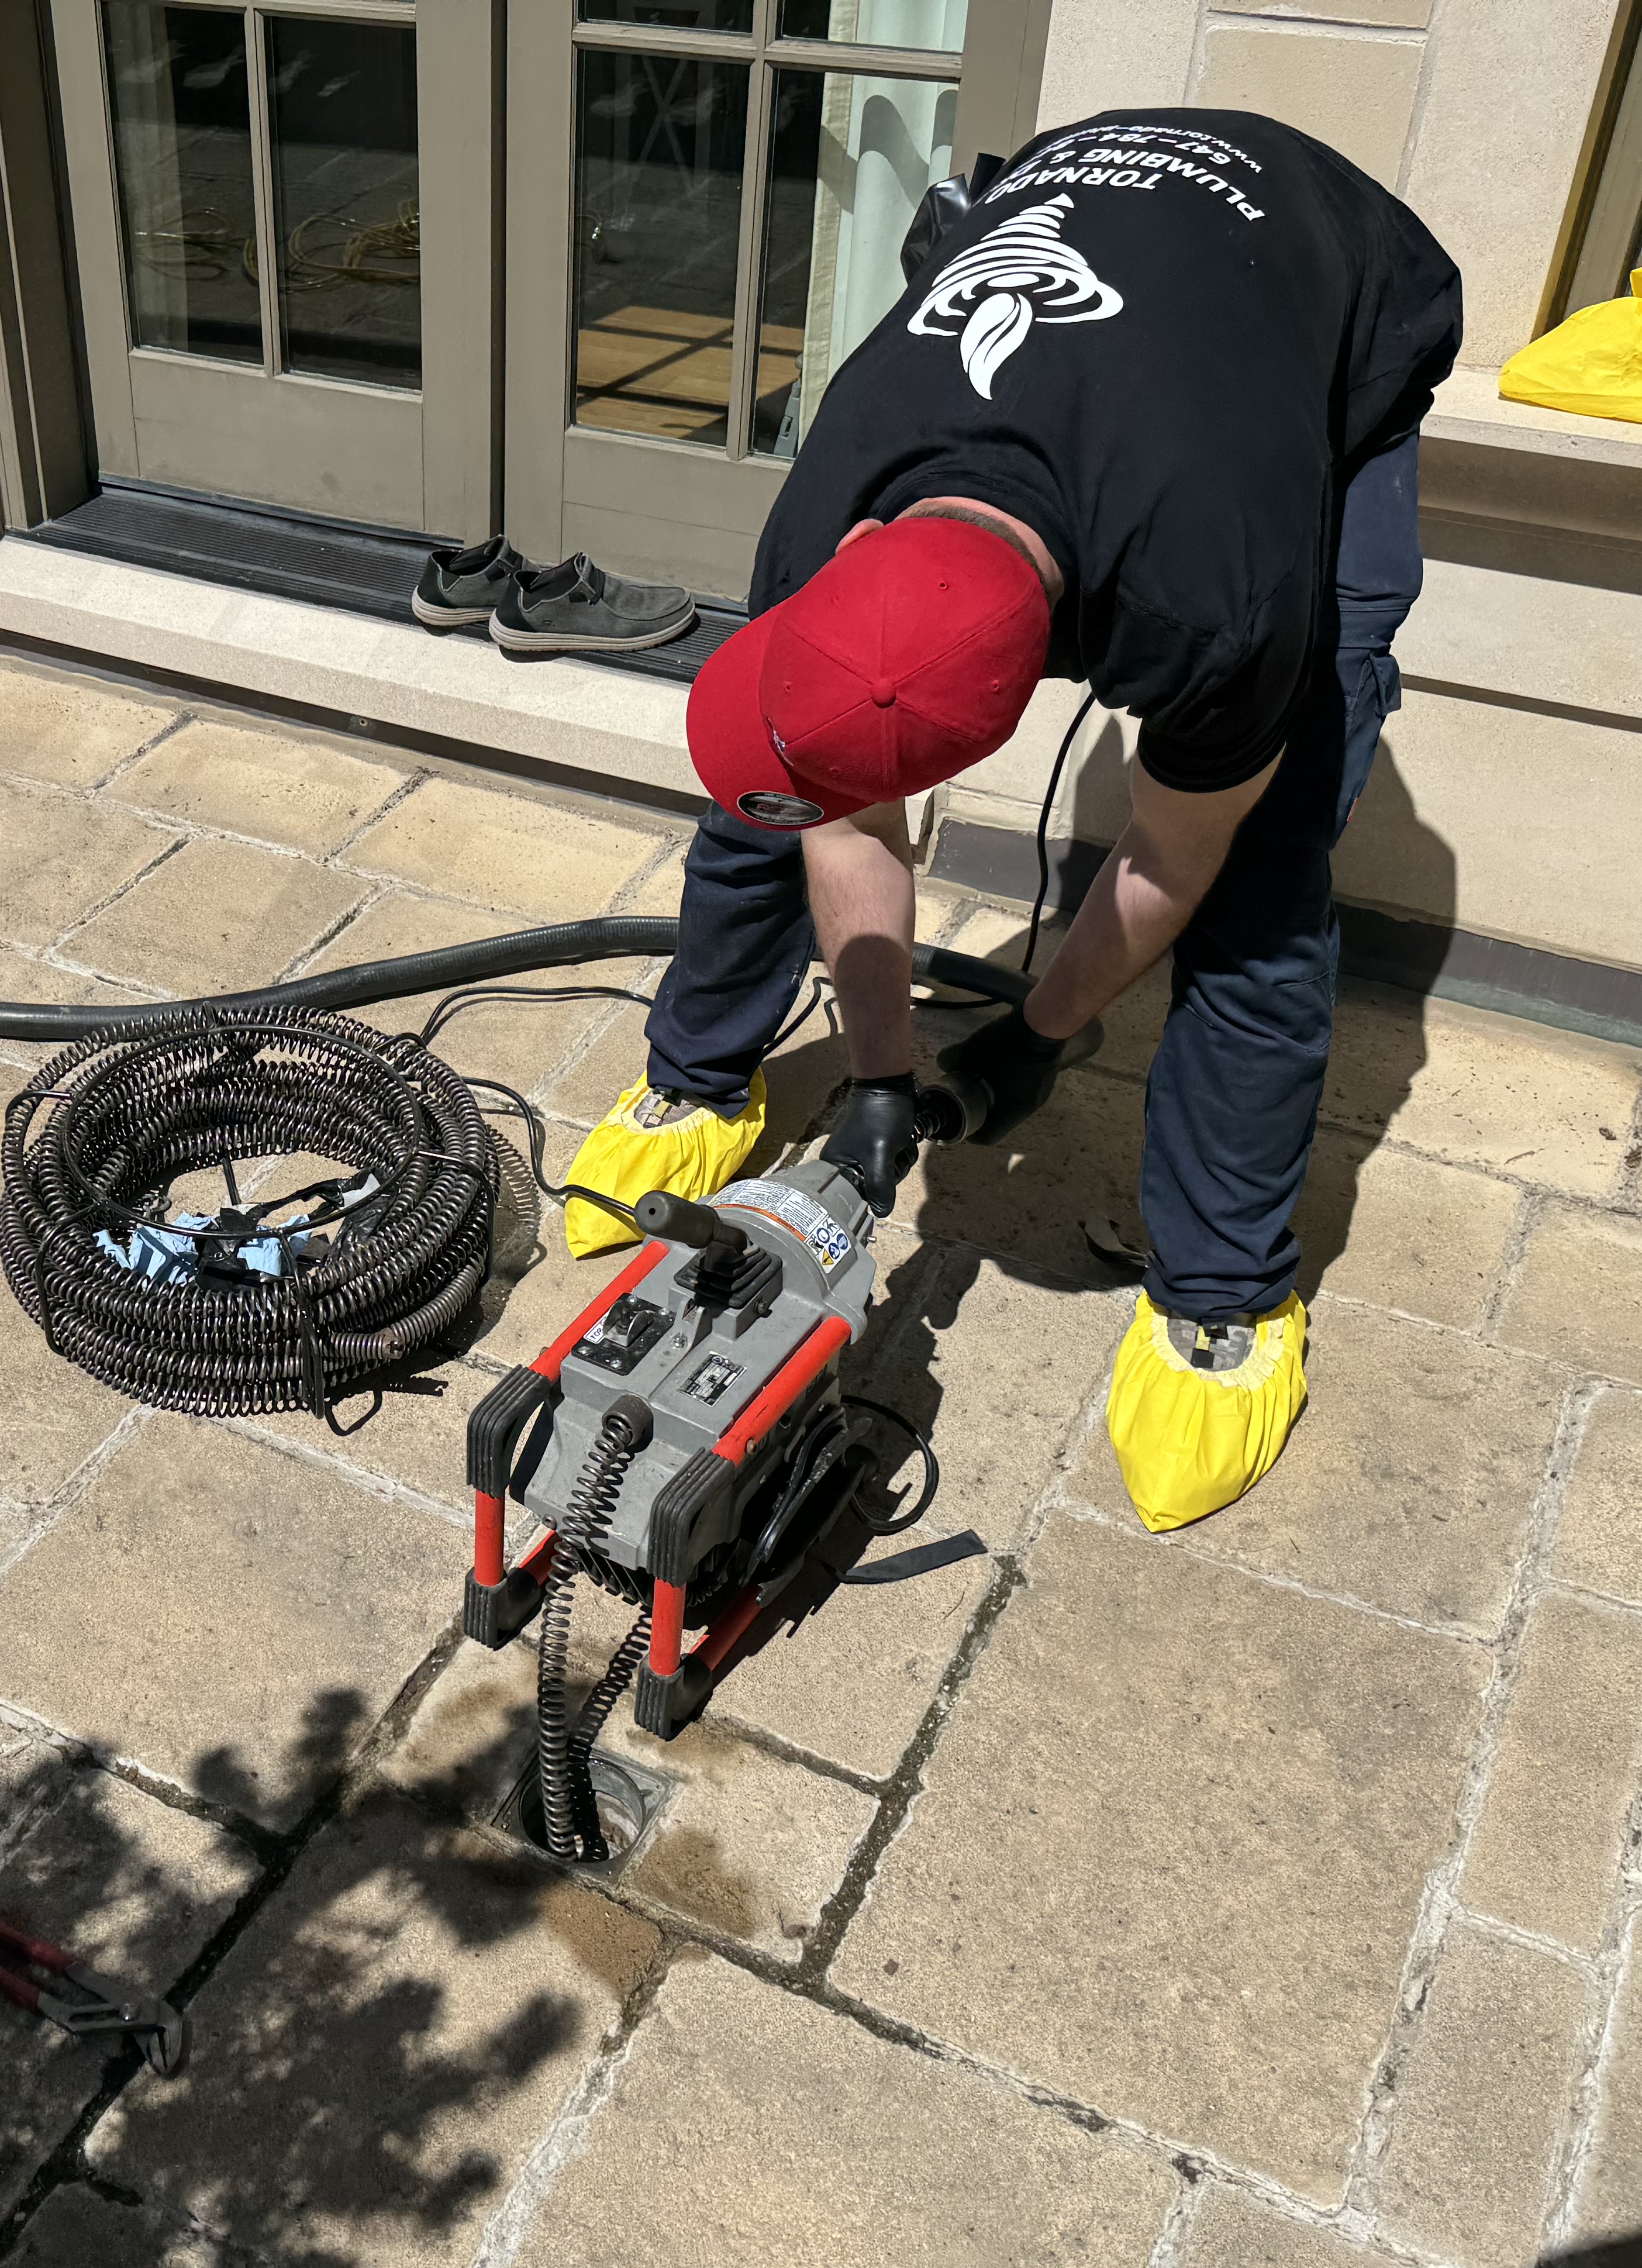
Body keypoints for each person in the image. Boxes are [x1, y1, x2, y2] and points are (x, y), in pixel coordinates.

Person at [561, 106, 1462, 1532]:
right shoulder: (825, 511)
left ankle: (1225, 1294)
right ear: (858, 549)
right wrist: (879, 1070)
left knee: (1261, 887)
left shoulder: (1215, 601)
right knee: (775, 780)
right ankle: (698, 1077)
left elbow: (1172, 857)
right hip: (1096, 208)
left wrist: (1038, 1036)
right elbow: (830, 815)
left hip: (1324, 273)